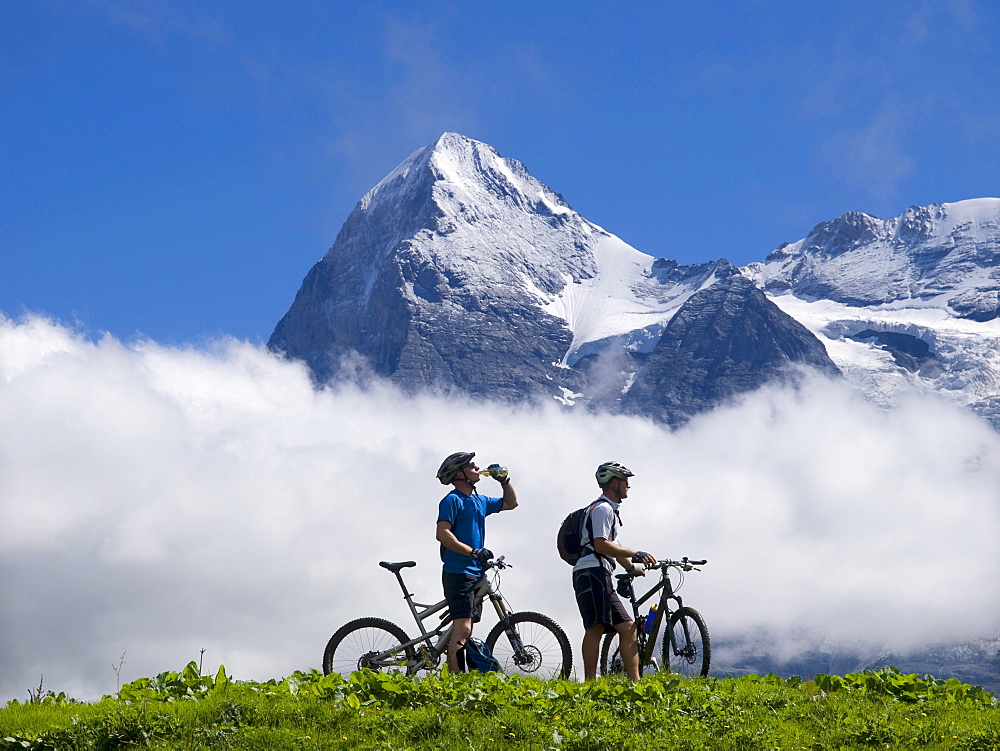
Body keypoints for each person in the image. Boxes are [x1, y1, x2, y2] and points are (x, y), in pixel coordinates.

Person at [573, 461, 656, 681]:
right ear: (614, 483)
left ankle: (635, 682)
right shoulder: (602, 509)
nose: (628, 485)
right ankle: (590, 682)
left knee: (628, 628)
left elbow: (615, 548)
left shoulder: (609, 511)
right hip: (592, 573)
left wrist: (631, 567)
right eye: (625, 481)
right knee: (595, 628)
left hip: (598, 573)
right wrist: (636, 552)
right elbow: (601, 545)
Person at [435, 451, 518, 672]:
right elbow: (443, 534)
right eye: (470, 465)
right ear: (459, 474)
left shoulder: (479, 501)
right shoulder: (452, 500)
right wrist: (473, 552)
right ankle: (454, 680)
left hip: (474, 571)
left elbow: (511, 503)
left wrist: (505, 481)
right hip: (458, 571)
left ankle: (457, 672)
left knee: (466, 627)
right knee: (463, 628)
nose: (476, 467)